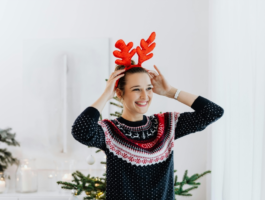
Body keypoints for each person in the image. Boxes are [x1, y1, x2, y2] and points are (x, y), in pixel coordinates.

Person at [71, 60, 225, 200]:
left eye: (149, 88)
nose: (145, 96)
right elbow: (81, 130)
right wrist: (106, 95)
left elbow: (213, 112)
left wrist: (171, 92)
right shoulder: (109, 131)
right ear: (119, 93)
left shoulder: (167, 124)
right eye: (136, 89)